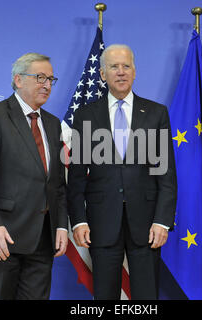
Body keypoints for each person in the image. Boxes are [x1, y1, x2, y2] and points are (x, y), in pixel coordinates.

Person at [67, 44, 177, 300]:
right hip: (101, 221)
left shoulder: (155, 113)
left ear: (135, 72)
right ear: (103, 74)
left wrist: (162, 220)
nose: (121, 72)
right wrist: (80, 220)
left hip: (147, 223)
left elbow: (166, 173)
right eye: (114, 67)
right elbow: (76, 175)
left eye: (126, 66)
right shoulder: (85, 115)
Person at [0, 53, 68, 300]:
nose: (47, 85)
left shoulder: (53, 124)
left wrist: (61, 224)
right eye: (40, 77)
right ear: (18, 80)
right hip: (2, 236)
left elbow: (57, 183)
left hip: (43, 240)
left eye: (51, 79)